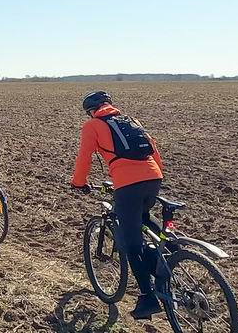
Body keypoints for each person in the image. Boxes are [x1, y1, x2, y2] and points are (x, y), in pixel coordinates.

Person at [71, 91, 164, 320]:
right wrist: (152, 175)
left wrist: (78, 183)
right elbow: (153, 150)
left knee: (131, 244)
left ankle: (148, 297)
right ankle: (166, 254)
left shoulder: (93, 125)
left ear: (91, 111)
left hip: (128, 184)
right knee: (141, 217)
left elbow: (84, 157)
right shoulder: (131, 121)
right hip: (154, 177)